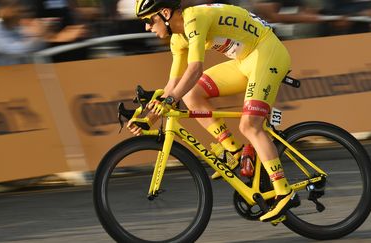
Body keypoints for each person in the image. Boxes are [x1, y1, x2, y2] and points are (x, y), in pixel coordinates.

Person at [128, 0, 300, 222]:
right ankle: (234, 153)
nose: (147, 27)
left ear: (165, 12)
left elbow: (195, 69)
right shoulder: (177, 39)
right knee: (191, 95)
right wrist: (147, 120)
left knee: (249, 126)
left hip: (267, 53)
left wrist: (170, 99)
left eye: (148, 20)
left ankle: (284, 191)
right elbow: (174, 84)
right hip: (244, 60)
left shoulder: (193, 19)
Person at [0, 0, 46, 66]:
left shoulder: (19, 28)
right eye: (12, 6)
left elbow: (40, 46)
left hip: (23, 71)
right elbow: (13, 50)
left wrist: (39, 36)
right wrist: (38, 37)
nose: (19, 9)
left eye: (17, 5)